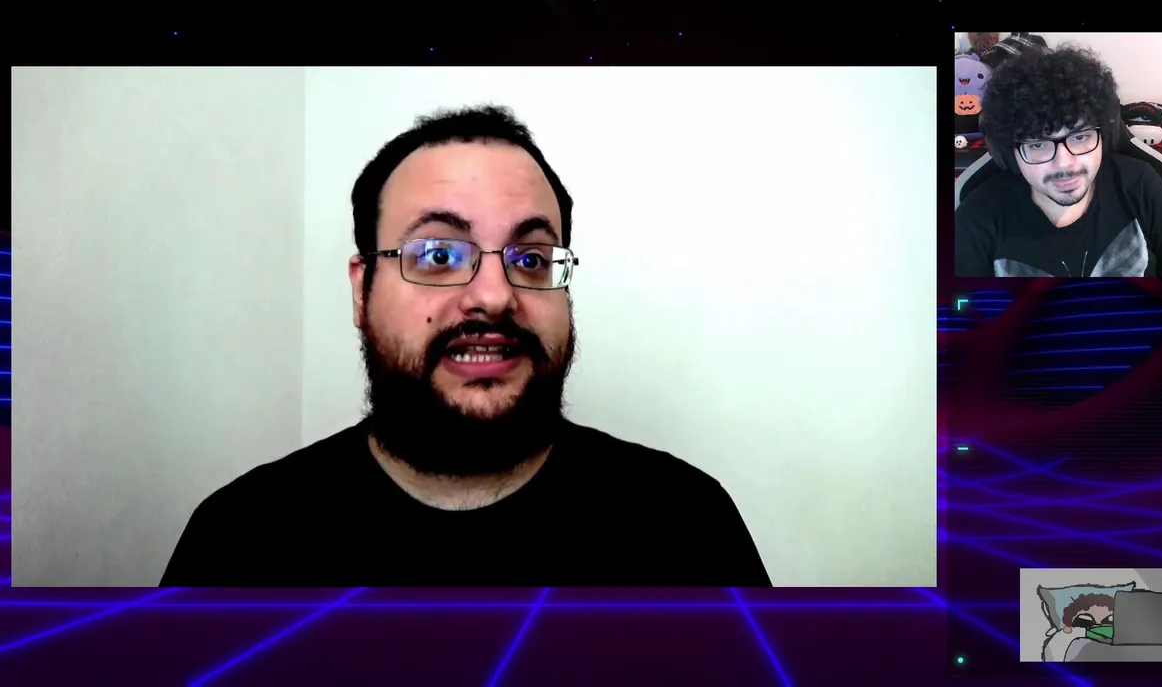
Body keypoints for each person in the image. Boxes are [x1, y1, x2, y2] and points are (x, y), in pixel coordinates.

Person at [161, 105, 771, 587]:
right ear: (361, 290)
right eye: (437, 254)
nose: (495, 296)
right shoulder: (238, 542)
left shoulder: (688, 526)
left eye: (530, 259)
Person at [955, 46, 1162, 278]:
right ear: (1009, 153)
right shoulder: (977, 217)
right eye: (1038, 144)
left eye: (1079, 137)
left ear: (1104, 136)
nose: (1065, 163)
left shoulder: (1140, 185)